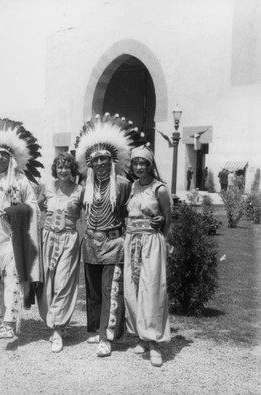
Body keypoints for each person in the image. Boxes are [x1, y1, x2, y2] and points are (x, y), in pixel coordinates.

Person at [75, 114, 139, 358]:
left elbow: (131, 210)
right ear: (89, 164)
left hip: (113, 244)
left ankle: (107, 336)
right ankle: (97, 328)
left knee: (110, 290)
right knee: (93, 291)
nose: (100, 163)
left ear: (112, 161)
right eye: (95, 160)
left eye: (104, 159)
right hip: (90, 243)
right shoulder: (86, 186)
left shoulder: (122, 184)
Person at [0, 117, 43, 338]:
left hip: (13, 236)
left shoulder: (21, 181)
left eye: (4, 154)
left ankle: (10, 321)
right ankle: (0, 319)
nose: (0, 158)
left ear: (11, 158)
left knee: (13, 277)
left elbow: (35, 207)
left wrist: (14, 212)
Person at [123, 145, 172, 367]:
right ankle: (142, 336)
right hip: (131, 241)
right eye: (135, 163)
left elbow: (167, 218)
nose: (139, 167)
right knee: (132, 290)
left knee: (152, 291)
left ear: (151, 165)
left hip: (152, 243)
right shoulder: (133, 186)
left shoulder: (159, 189)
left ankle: (154, 344)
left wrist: (161, 226)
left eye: (143, 163)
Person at [37, 152, 83, 353]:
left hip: (68, 239)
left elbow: (90, 213)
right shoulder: (47, 187)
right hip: (47, 238)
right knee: (47, 281)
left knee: (63, 281)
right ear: (55, 169)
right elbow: (34, 207)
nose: (63, 170)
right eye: (60, 166)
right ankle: (54, 321)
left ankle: (57, 330)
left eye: (67, 166)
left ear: (72, 169)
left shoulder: (80, 190)